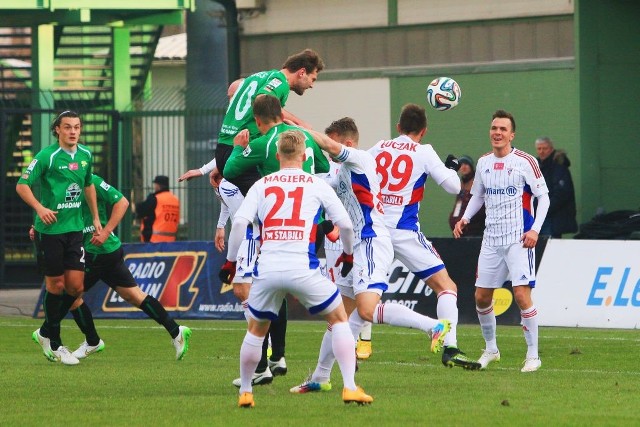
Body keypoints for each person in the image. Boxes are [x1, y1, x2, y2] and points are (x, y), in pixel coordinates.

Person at [291, 119, 451, 394]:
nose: (330, 155)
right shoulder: (340, 173)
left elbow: (328, 144)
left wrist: (293, 127)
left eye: (335, 148)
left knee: (365, 310)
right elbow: (309, 182)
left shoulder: (361, 159)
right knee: (338, 316)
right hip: (355, 246)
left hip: (372, 241)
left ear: (348, 144)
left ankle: (433, 326)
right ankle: (320, 376)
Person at [219, 129, 372, 407]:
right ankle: (349, 387)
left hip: (267, 270)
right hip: (303, 268)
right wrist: (348, 256)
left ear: (277, 156)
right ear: (304, 156)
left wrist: (230, 262)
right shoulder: (317, 185)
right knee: (339, 319)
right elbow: (346, 225)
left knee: (255, 329)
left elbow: (239, 223)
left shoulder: (262, 184)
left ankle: (245, 391)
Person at [223, 94, 331, 387]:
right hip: (313, 226)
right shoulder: (304, 138)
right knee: (326, 308)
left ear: (257, 120)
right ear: (281, 113)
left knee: (258, 289)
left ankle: (258, 369)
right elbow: (324, 168)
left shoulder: (263, 144)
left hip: (277, 230)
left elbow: (230, 172)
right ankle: (279, 356)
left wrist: (238, 149)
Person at [29, 175, 192, 361]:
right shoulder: (60, 184)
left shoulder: (91, 181)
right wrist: (39, 227)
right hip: (106, 251)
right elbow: (56, 211)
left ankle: (46, 333)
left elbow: (122, 202)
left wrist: (105, 232)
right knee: (135, 296)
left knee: (70, 293)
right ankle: (176, 331)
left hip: (96, 250)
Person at [368, 105, 480, 370]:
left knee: (365, 302)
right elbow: (454, 186)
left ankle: (352, 349)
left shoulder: (379, 147)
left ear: (398, 127)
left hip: (375, 231)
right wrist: (450, 168)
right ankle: (449, 345)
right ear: (424, 130)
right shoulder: (424, 151)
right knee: (447, 287)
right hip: (405, 232)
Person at [453, 109, 550, 373]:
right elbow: (478, 196)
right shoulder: (483, 163)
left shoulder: (525, 161)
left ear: (512, 135)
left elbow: (544, 198)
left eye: (503, 129)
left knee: (521, 295)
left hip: (519, 238)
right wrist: (465, 218)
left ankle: (533, 355)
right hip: (491, 239)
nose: (497, 133)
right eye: (494, 128)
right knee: (482, 297)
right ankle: (491, 349)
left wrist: (535, 230)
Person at [16, 110, 102, 365]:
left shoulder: (86, 155)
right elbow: (22, 185)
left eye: (77, 127)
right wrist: (40, 209)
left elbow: (88, 185)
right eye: (67, 127)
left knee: (76, 287)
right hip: (50, 233)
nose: (73, 131)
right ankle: (54, 342)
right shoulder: (47, 156)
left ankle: (44, 332)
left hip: (74, 229)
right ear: (57, 130)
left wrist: (95, 217)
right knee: (55, 286)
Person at [215, 48, 324, 190]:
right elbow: (263, 100)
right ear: (302, 72)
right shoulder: (280, 81)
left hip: (225, 147)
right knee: (271, 197)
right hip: (241, 147)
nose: (311, 85)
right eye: (312, 79)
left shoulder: (261, 76)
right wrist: (299, 123)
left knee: (259, 203)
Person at [534, 137, 577, 238]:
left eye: (545, 148)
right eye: (539, 149)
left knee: (547, 247)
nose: (542, 151)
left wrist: (544, 209)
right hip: (538, 216)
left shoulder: (559, 167)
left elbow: (562, 194)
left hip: (552, 218)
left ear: (551, 149)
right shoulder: (537, 166)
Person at [136, 175, 180, 242]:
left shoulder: (155, 198)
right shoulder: (175, 200)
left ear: (157, 186)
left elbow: (140, 210)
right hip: (171, 240)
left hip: (154, 241)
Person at [448, 155, 486, 236]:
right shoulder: (461, 185)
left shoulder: (477, 183)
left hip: (474, 234)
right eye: (461, 164)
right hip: (460, 233)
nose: (463, 167)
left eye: (466, 164)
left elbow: (479, 208)